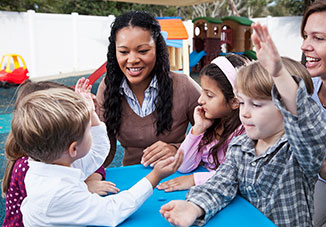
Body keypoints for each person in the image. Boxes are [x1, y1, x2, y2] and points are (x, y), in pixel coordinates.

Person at [160, 23, 326, 227]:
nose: (245, 112)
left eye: (256, 104)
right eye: (242, 102)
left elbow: (308, 126)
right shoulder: (240, 146)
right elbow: (220, 184)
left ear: (285, 108)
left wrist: (279, 74)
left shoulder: (297, 152)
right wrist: (194, 207)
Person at [12, 79, 183, 226]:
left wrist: (90, 113)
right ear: (73, 149)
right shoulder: (58, 192)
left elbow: (97, 152)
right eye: (88, 130)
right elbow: (113, 211)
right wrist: (155, 176)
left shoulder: (48, 163)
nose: (93, 129)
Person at [1, 80, 118, 227]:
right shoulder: (28, 167)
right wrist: (84, 188)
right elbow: (54, 203)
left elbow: (92, 159)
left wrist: (92, 179)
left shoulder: (58, 150)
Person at [96, 11, 201, 167]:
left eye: (143, 51)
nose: (132, 60)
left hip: (175, 177)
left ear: (157, 49)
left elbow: (215, 140)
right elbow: (103, 149)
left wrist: (177, 149)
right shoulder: (108, 87)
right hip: (131, 180)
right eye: (124, 52)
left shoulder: (184, 86)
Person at [157, 54, 246, 192]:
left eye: (209, 95)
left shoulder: (243, 133)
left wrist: (194, 179)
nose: (200, 100)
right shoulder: (210, 127)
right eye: (202, 91)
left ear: (234, 102)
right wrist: (198, 129)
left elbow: (238, 177)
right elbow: (184, 166)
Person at [301, 0, 326, 226]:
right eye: (305, 36)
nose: (305, 46)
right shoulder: (307, 90)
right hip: (316, 184)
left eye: (318, 38)